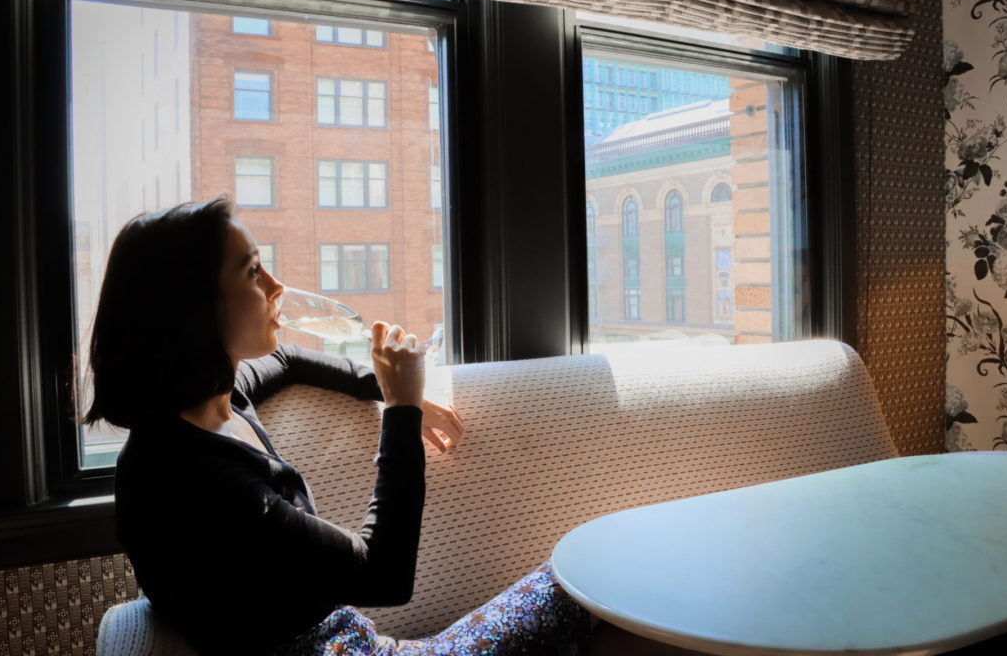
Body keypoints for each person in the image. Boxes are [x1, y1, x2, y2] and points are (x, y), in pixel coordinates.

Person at [86, 197, 667, 656]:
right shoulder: (190, 479)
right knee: (586, 580)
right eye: (253, 271)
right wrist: (402, 409)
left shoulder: (214, 398)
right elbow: (385, 575)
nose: (276, 288)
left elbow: (287, 361)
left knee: (610, 623)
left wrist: (378, 378)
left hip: (358, 643)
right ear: (192, 309)